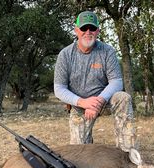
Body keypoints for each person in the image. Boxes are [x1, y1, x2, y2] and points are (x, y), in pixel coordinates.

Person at [54, 11, 137, 152]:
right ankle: (87, 143)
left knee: (123, 98)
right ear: (76, 30)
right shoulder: (65, 54)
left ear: (97, 30)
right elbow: (59, 89)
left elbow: (116, 82)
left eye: (92, 28)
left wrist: (98, 101)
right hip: (80, 106)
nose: (88, 32)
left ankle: (128, 153)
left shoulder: (108, 51)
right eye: (84, 28)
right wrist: (83, 102)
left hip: (105, 101)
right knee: (78, 152)